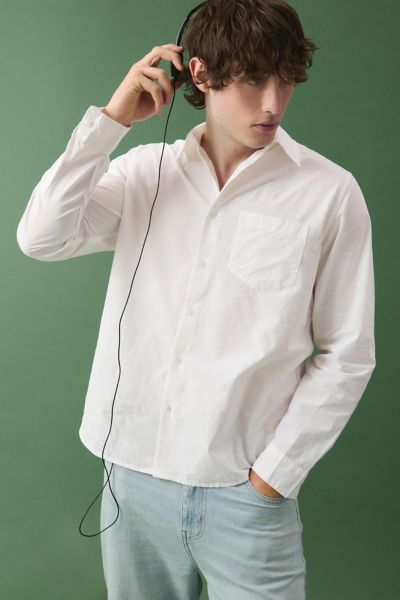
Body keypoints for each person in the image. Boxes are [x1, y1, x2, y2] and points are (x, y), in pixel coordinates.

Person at [16, 0, 376, 598]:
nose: (274, 103)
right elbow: (41, 237)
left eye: (286, 80)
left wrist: (274, 475)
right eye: (254, 80)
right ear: (201, 74)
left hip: (245, 492)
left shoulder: (330, 193)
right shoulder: (143, 173)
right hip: (130, 481)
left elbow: (348, 351)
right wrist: (111, 121)